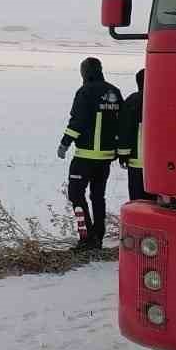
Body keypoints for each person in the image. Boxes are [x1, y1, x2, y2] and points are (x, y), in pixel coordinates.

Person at [57, 57, 123, 249]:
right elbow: (121, 122)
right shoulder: (114, 91)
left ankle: (86, 238)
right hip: (105, 158)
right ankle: (98, 237)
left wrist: (64, 143)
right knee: (97, 196)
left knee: (76, 195)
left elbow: (77, 121)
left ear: (84, 72)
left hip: (85, 156)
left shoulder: (85, 91)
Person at [116, 69, 156, 203]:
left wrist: (122, 155)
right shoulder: (164, 98)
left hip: (137, 162)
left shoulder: (133, 101)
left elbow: (124, 129)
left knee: (138, 201)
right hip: (160, 164)